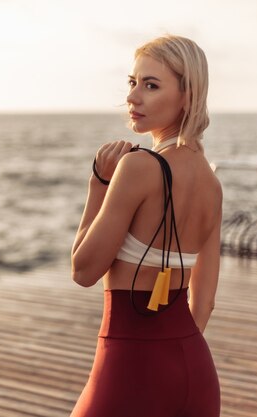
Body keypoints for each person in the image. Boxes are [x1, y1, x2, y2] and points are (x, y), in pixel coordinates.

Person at [70, 34, 222, 417]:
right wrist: (169, 358)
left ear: (187, 96)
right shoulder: (211, 182)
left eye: (151, 85)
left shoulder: (137, 168)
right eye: (132, 83)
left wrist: (99, 183)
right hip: (194, 369)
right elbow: (203, 302)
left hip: (131, 366)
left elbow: (84, 269)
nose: (133, 97)